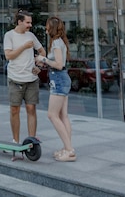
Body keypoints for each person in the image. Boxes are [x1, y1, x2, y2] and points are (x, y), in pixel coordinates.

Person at [35, 16, 75, 162]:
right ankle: (67, 148)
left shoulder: (57, 43)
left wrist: (42, 59)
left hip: (58, 78)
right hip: (62, 77)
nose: (45, 29)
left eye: (46, 26)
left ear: (51, 27)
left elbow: (58, 64)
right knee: (63, 116)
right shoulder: (59, 41)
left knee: (52, 115)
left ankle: (69, 150)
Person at [3, 10, 46, 146]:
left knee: (31, 109)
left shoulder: (31, 36)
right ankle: (15, 141)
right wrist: (23, 47)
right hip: (15, 79)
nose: (30, 25)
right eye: (27, 22)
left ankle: (31, 141)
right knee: (14, 110)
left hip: (31, 79)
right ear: (20, 22)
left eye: (31, 22)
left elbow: (42, 51)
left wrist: (40, 65)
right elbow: (8, 56)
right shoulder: (9, 35)